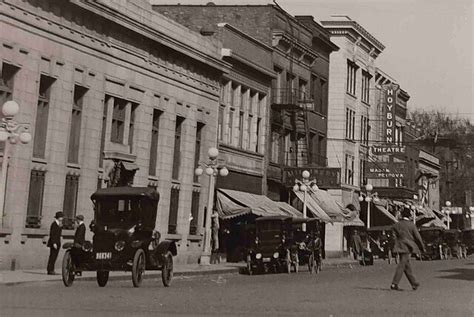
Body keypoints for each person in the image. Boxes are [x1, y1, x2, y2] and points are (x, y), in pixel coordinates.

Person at [390, 207, 426, 291]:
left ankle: (414, 283)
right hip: (408, 246)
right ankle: (394, 283)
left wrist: (395, 244)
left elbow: (393, 237)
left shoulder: (396, 225)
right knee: (402, 264)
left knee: (406, 265)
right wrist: (422, 246)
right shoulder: (411, 225)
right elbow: (418, 237)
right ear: (409, 216)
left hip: (399, 245)